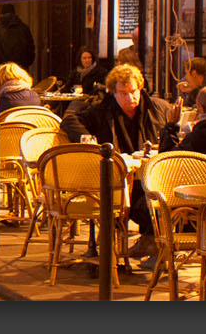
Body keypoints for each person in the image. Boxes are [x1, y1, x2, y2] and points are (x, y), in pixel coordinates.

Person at [60, 63, 171, 260]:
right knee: (139, 204)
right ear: (113, 92)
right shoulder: (101, 110)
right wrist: (87, 138)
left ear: (141, 87)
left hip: (153, 174)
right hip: (120, 177)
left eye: (134, 91)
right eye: (123, 93)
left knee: (161, 201)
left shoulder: (157, 108)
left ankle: (154, 243)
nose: (130, 98)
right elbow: (69, 120)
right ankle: (152, 242)